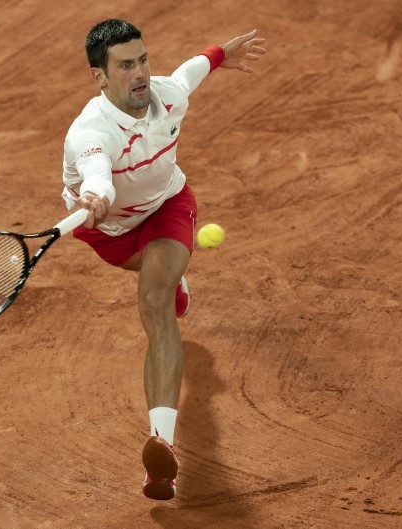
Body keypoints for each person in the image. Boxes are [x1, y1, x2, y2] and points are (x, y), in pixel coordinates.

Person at [61, 19, 266, 501]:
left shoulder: (168, 93)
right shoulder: (89, 133)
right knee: (153, 279)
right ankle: (171, 278)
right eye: (125, 65)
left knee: (154, 301)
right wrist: (95, 194)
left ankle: (161, 447)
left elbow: (192, 71)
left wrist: (220, 54)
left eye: (143, 60)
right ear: (100, 77)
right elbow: (96, 169)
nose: (140, 74)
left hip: (169, 207)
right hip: (109, 232)